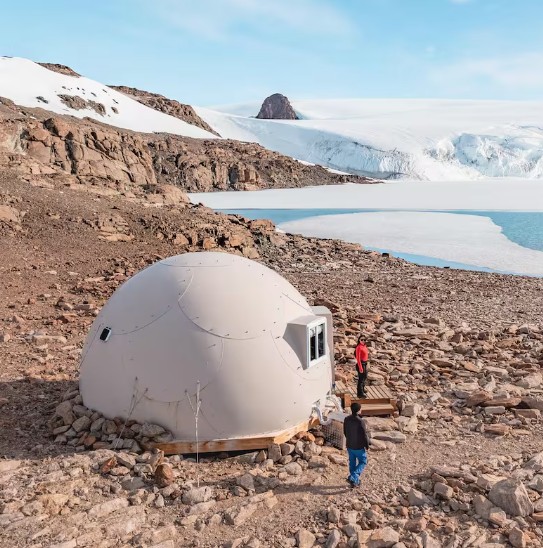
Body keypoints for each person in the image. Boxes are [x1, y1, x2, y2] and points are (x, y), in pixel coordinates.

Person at [343, 402, 370, 488]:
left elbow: (345, 432)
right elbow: (364, 435)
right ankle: (354, 476)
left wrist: (349, 440)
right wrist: (367, 445)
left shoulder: (346, 419)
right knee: (363, 461)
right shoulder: (360, 421)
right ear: (358, 410)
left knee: (352, 462)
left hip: (349, 445)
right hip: (358, 446)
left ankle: (353, 480)